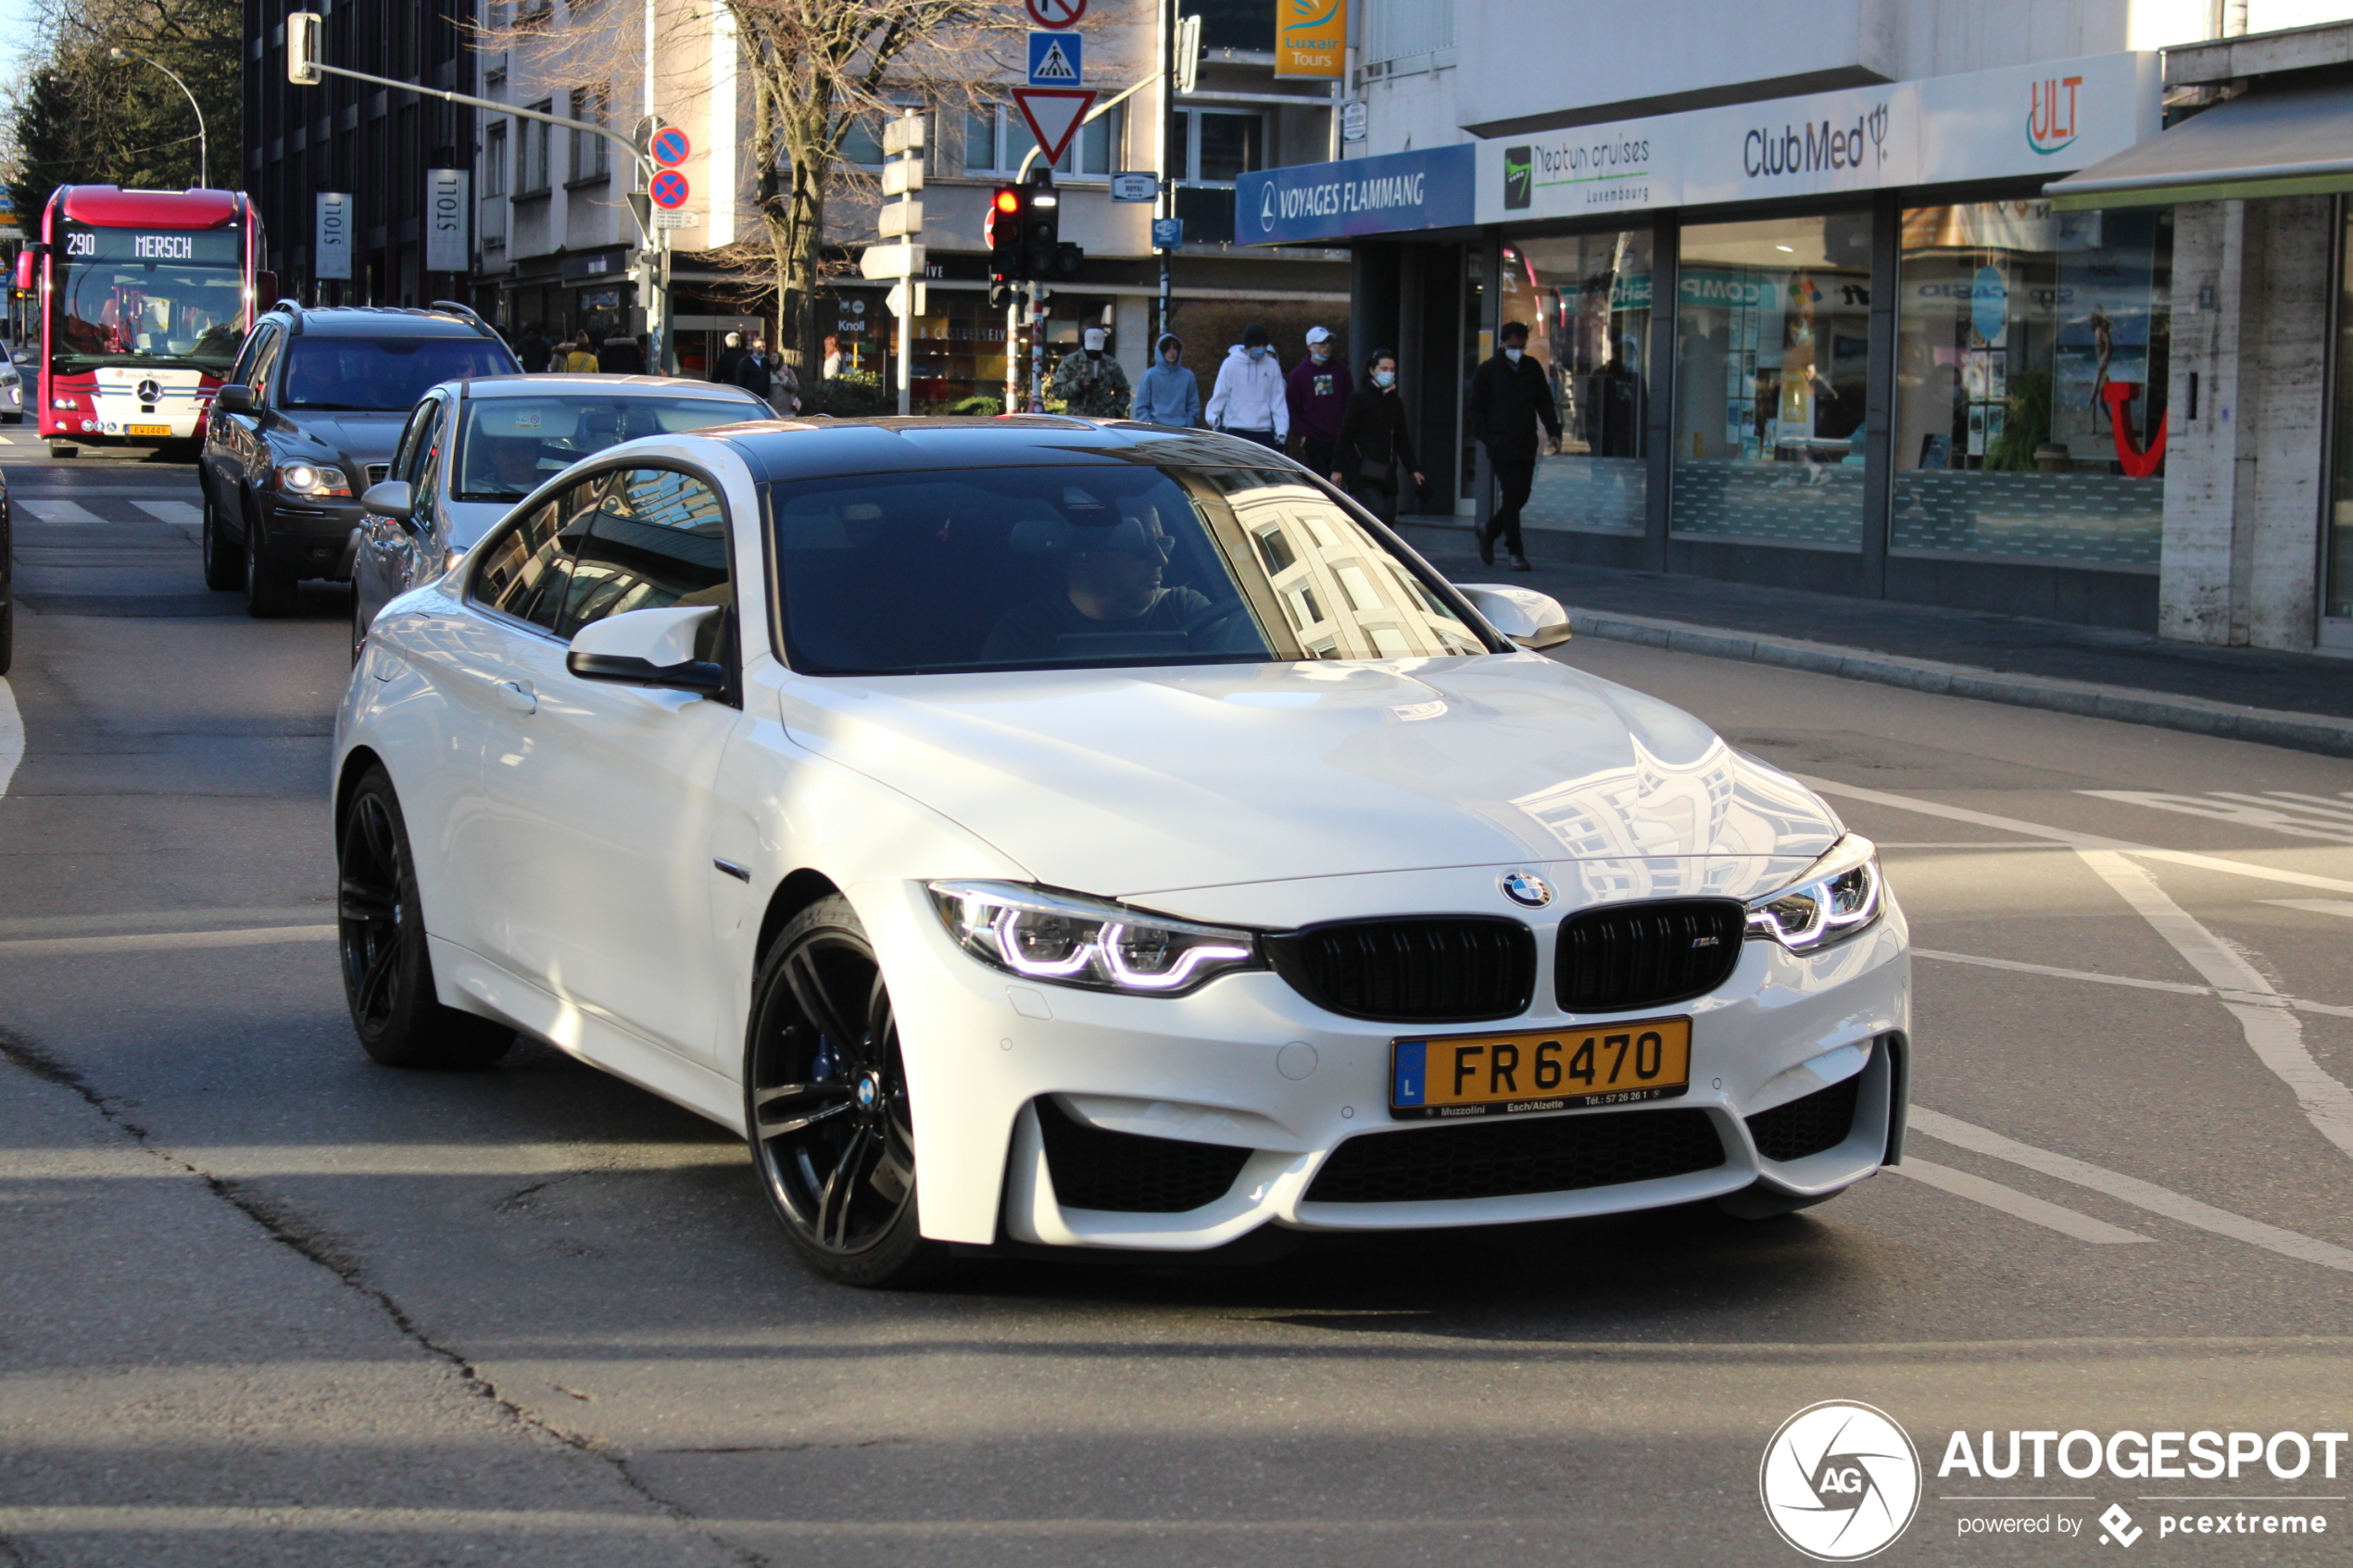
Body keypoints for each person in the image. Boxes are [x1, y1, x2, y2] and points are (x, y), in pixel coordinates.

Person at [981, 509, 1213, 663]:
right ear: (1085, 555)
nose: (1162, 560)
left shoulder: (1186, 610)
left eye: (1164, 544)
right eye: (1143, 548)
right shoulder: (1025, 632)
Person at [1466, 320, 1560, 571]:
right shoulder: (1488, 371)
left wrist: (1554, 431)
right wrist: (1488, 436)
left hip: (1526, 442)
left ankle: (1490, 529)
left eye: (1521, 346)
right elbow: (1476, 409)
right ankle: (1515, 551)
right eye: (1512, 345)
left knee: (1521, 495)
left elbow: (1544, 402)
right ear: (1502, 344)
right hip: (1501, 443)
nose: (1516, 350)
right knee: (1511, 494)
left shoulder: (1531, 369)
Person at [1331, 351, 1425, 527]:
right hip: (1362, 470)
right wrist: (1337, 468)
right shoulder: (1359, 399)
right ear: (1372, 370)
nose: (1388, 373)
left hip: (1387, 472)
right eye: (1384, 369)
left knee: (1388, 520)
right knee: (1378, 513)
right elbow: (1345, 434)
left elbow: (1401, 437)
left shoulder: (1395, 402)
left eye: (1392, 369)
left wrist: (1413, 469)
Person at [1204, 322, 1287, 449]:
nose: (1261, 348)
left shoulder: (1271, 365)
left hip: (1263, 430)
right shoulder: (1231, 364)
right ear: (1249, 344)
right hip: (1236, 430)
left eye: (1264, 345)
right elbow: (1221, 393)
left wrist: (1282, 430)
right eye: (1257, 344)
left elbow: (1278, 399)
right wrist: (1213, 417)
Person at [1286, 325, 1351, 478]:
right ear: (1310, 346)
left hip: (1338, 439)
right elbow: (1293, 408)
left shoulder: (1341, 371)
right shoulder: (1298, 374)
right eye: (1322, 344)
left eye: (1329, 342)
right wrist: (1302, 436)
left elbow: (1349, 403)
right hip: (1313, 438)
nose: (1327, 347)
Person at [1051, 326, 1131, 418]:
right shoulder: (1070, 362)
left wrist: (1117, 412)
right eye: (1090, 349)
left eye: (1097, 350)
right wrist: (1079, 386)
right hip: (1078, 419)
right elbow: (1057, 391)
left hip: (1104, 419)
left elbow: (1123, 390)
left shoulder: (1111, 364)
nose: (1093, 352)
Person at [1131, 333, 1202, 427]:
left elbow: (1193, 406)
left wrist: (1188, 424)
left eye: (1175, 348)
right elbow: (1141, 407)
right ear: (1160, 351)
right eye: (1167, 348)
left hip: (1181, 430)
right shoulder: (1149, 375)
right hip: (1155, 430)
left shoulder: (1188, 376)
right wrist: (1150, 427)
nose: (1172, 352)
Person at [734, 333, 774, 406]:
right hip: (751, 399)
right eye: (759, 347)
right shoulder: (744, 363)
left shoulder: (766, 361)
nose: (761, 349)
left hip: (765, 399)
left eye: (763, 347)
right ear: (753, 348)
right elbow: (740, 383)